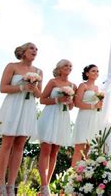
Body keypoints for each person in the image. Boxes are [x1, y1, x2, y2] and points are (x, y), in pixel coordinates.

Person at [0, 42, 43, 196]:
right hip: (13, 106)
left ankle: (11, 185)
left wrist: (33, 88)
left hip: (28, 107)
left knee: (20, 144)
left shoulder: (39, 71)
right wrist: (21, 87)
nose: (35, 50)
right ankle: (0, 183)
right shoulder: (12, 66)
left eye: (36, 49)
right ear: (24, 51)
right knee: (7, 142)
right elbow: (3, 88)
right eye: (32, 48)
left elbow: (39, 95)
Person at [37, 59, 75, 196]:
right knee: (46, 149)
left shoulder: (73, 85)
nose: (68, 67)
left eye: (70, 66)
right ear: (59, 68)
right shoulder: (53, 82)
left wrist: (69, 101)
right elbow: (42, 100)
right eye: (66, 65)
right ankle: (44, 185)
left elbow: (71, 107)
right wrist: (58, 100)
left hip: (62, 118)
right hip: (49, 115)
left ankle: (46, 187)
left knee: (55, 152)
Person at [71, 64, 104, 167]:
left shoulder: (98, 88)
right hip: (84, 117)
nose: (96, 73)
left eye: (97, 71)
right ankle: (72, 175)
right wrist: (93, 106)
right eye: (93, 71)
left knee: (90, 147)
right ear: (87, 73)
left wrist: (100, 106)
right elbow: (77, 103)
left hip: (95, 118)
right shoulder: (83, 85)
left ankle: (84, 176)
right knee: (79, 147)